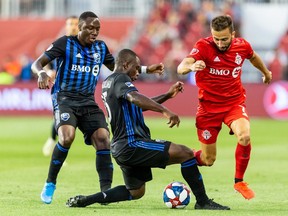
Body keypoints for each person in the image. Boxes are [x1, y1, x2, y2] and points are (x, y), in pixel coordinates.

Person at [66, 49, 230, 210]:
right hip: (132, 143)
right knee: (186, 153)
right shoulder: (120, 79)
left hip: (120, 147)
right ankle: (203, 201)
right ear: (125, 64)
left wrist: (167, 95)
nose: (138, 72)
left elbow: (135, 105)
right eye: (136, 68)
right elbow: (135, 98)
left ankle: (87, 200)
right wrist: (164, 110)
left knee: (136, 191)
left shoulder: (110, 82)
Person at [32, 11, 164, 205]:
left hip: (87, 101)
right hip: (65, 99)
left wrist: (146, 69)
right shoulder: (65, 43)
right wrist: (41, 73)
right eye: (90, 28)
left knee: (103, 139)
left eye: (97, 29)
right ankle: (50, 182)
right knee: (67, 137)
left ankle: (105, 192)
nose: (94, 32)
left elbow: (119, 68)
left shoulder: (101, 48)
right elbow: (37, 63)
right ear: (80, 27)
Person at [177, 15, 272, 200]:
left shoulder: (242, 46)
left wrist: (266, 72)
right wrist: (192, 66)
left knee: (244, 136)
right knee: (208, 160)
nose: (220, 43)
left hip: (233, 104)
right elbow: (182, 66)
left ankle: (239, 181)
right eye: (216, 38)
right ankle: (184, 157)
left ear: (233, 35)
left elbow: (253, 57)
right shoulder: (203, 46)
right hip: (208, 109)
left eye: (224, 39)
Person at [42, 15, 79, 157]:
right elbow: (43, 61)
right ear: (66, 26)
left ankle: (53, 141)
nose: (73, 26)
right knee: (64, 120)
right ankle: (54, 145)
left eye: (76, 23)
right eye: (70, 23)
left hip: (80, 90)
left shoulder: (85, 44)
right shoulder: (60, 43)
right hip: (62, 90)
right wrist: (48, 71)